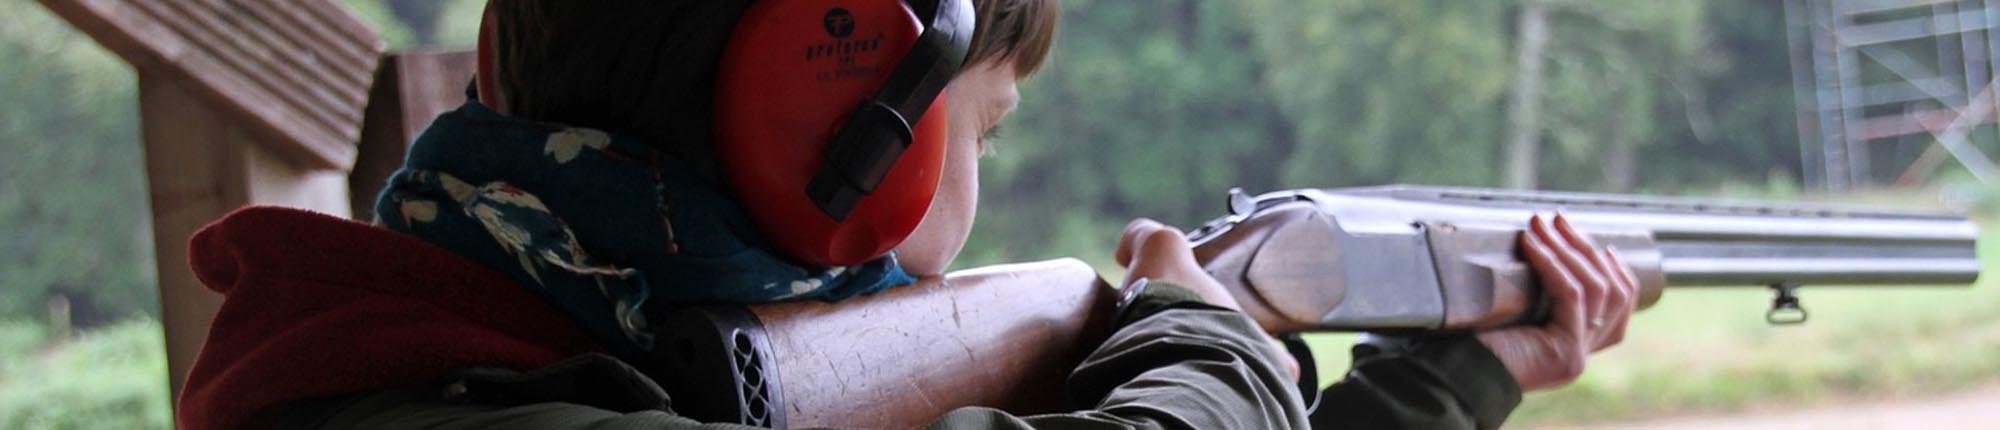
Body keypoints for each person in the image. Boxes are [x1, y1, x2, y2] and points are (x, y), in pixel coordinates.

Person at [173, 1, 1641, 429]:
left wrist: (1454, 373)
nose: (978, 174)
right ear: (842, 144)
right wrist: (1206, 336)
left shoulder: (407, 348)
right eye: (982, 124)